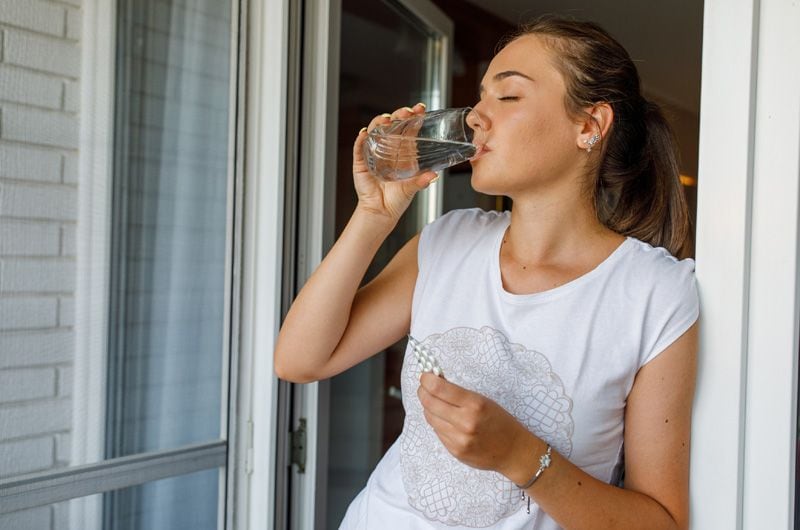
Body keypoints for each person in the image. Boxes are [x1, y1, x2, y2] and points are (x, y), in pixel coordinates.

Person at [275, 15, 699, 530]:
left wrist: (523, 457)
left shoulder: (656, 294)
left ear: (589, 126)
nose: (475, 116)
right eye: (479, 98)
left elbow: (661, 522)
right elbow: (299, 360)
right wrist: (374, 216)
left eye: (509, 96)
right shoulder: (447, 241)